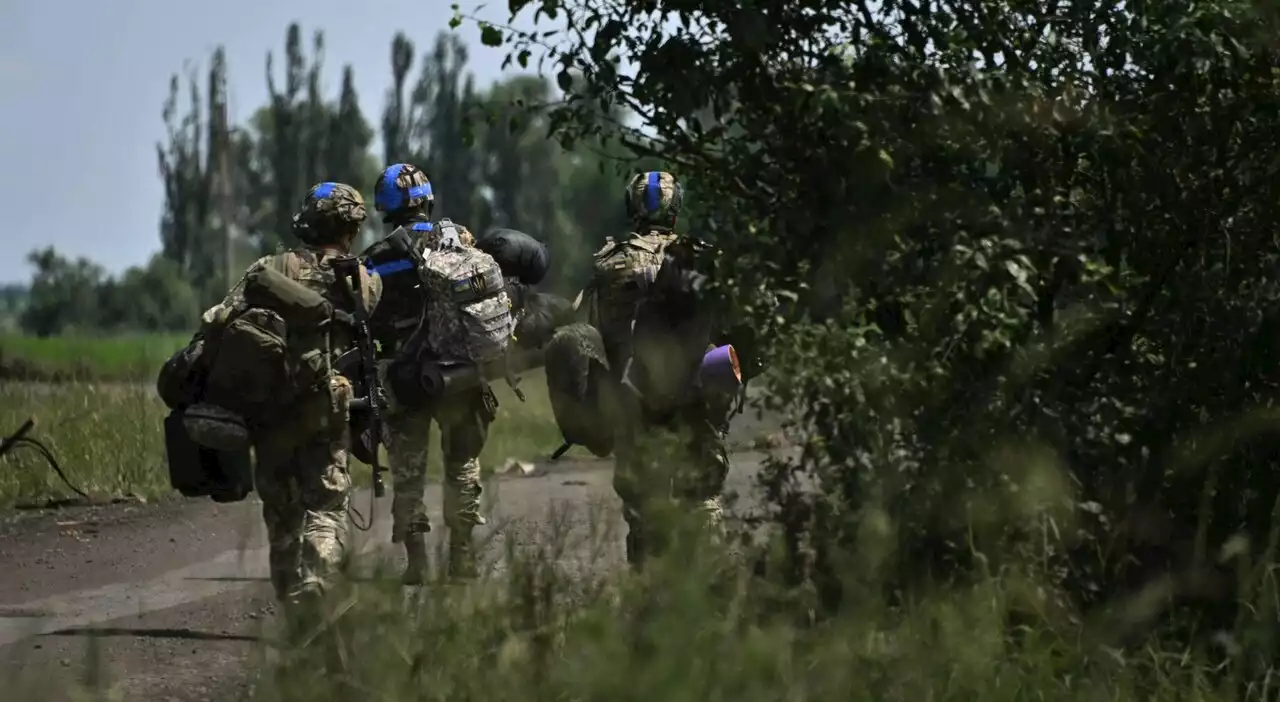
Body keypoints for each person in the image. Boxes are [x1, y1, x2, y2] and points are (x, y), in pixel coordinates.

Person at [202, 181, 381, 605]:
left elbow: (217, 319)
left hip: (268, 408)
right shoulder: (362, 279)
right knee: (327, 505)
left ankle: (291, 603)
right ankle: (316, 585)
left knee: (282, 513)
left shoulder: (270, 267)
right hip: (325, 403)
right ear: (351, 228)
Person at [577, 170, 738, 568]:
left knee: (645, 508)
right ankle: (712, 592)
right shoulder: (700, 256)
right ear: (675, 208)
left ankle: (650, 600)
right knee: (702, 499)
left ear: (632, 207)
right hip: (697, 393)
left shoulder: (608, 264)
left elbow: (588, 334)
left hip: (635, 398)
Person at [365, 162, 496, 584]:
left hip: (404, 378)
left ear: (384, 206)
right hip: (458, 373)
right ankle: (462, 559)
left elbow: (368, 320)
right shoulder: (462, 242)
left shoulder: (378, 259)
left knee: (408, 473)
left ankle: (418, 563)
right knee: (462, 465)